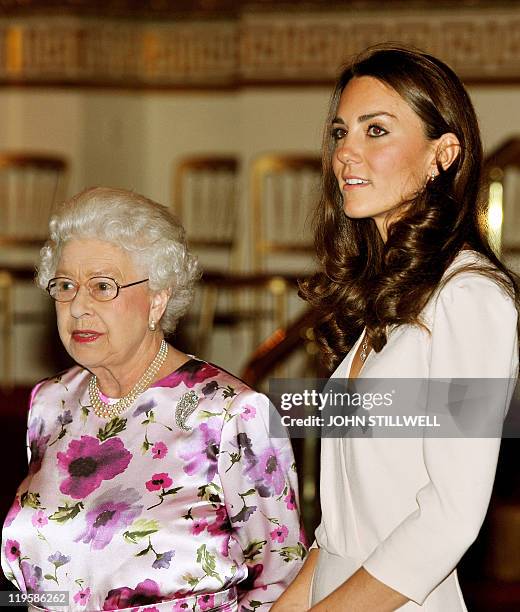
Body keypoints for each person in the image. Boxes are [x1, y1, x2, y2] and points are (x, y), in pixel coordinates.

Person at [272, 44, 519, 611]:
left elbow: (451, 516)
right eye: (340, 133)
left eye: (376, 131)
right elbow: (344, 533)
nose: (346, 155)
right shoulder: (384, 298)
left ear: (444, 154)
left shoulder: (472, 297)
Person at [1, 187, 306, 612]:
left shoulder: (231, 413)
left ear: (157, 300)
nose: (79, 307)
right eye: (65, 285)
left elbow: (281, 581)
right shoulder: (50, 403)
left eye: (103, 287)